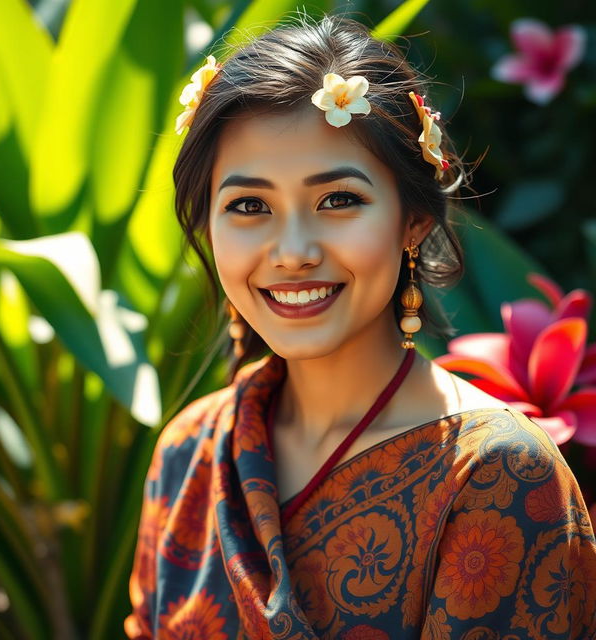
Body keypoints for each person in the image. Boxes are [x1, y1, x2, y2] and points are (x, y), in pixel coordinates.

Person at [124, 13, 596, 640]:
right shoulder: (189, 454)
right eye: (248, 206)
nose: (292, 251)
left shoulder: (493, 474)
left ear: (414, 220)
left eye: (338, 200)